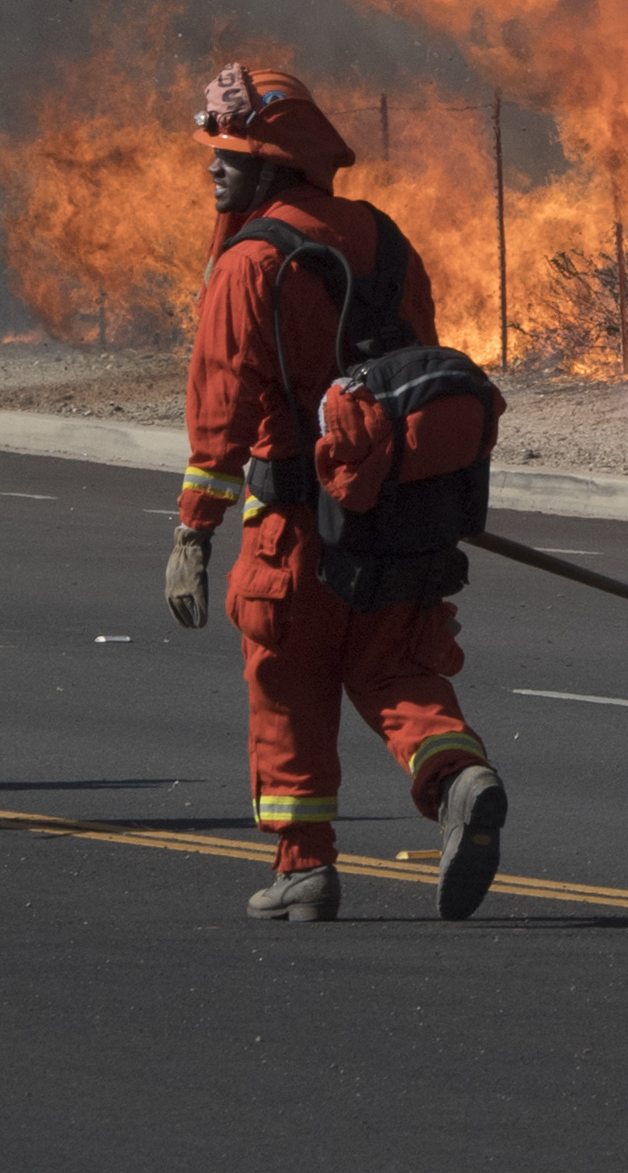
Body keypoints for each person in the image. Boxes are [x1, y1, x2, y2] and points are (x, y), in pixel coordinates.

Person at [163, 64, 509, 926]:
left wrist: (192, 534)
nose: (213, 166)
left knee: (290, 686)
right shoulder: (386, 240)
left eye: (230, 152)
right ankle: (457, 776)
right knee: (395, 668)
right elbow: (414, 365)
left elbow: (221, 415)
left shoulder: (250, 263)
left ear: (275, 165)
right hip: (394, 515)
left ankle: (304, 870)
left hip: (294, 528)